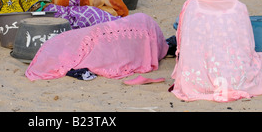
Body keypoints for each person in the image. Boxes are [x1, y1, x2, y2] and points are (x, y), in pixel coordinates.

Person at [25, 13, 169, 81]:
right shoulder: (148, 27)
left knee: (91, 39)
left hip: (116, 29)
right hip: (120, 28)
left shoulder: (147, 27)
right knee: (92, 38)